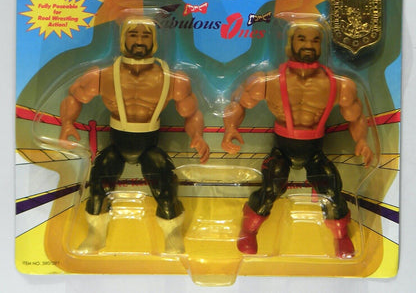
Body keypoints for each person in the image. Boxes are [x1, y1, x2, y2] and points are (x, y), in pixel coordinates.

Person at [221, 22, 373, 258]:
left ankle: (341, 235)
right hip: (282, 149)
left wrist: (361, 140)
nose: (308, 45)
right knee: (271, 188)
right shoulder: (267, 81)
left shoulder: (339, 85)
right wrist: (230, 127)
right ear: (290, 42)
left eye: (315, 40)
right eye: (302, 38)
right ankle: (249, 230)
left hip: (314, 150)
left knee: (332, 189)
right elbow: (239, 102)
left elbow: (356, 117)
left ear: (321, 45)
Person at [59, 16, 210, 254]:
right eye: (133, 34)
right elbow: (74, 97)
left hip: (150, 144)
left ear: (154, 40)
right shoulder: (102, 76)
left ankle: (172, 234)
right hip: (117, 143)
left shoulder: (173, 80)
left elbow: (191, 113)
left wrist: (197, 136)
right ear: (123, 38)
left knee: (166, 187)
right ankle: (95, 234)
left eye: (145, 35)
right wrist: (67, 123)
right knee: (98, 183)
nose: (139, 40)